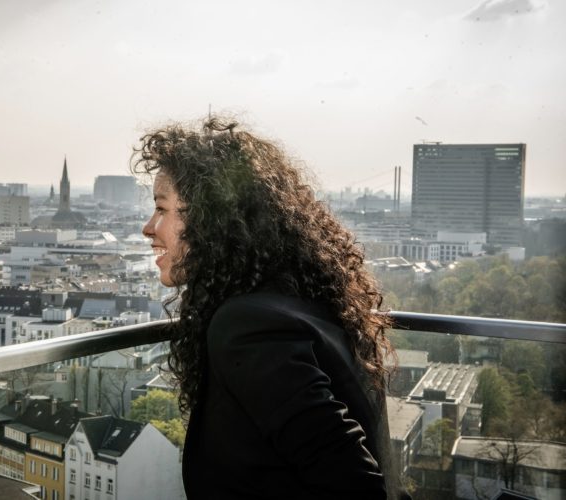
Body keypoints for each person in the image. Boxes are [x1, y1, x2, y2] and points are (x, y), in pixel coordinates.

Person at [135, 116, 408, 499]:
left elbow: (352, 481)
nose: (148, 227)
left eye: (162, 209)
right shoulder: (312, 300)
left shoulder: (248, 325)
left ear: (213, 221)